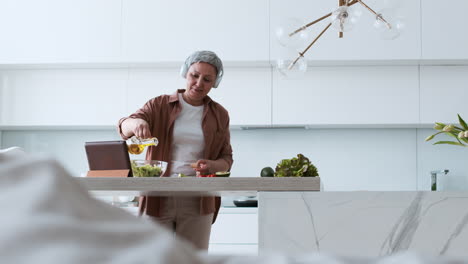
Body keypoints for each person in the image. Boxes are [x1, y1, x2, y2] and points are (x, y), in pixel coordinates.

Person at [117, 50, 233, 250]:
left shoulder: (220, 114)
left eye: (207, 79)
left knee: (192, 260)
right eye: (194, 75)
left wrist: (212, 165)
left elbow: (226, 158)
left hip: (199, 198)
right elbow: (124, 126)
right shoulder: (159, 104)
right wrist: (136, 123)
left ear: (215, 83)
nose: (199, 83)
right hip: (157, 196)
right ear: (185, 73)